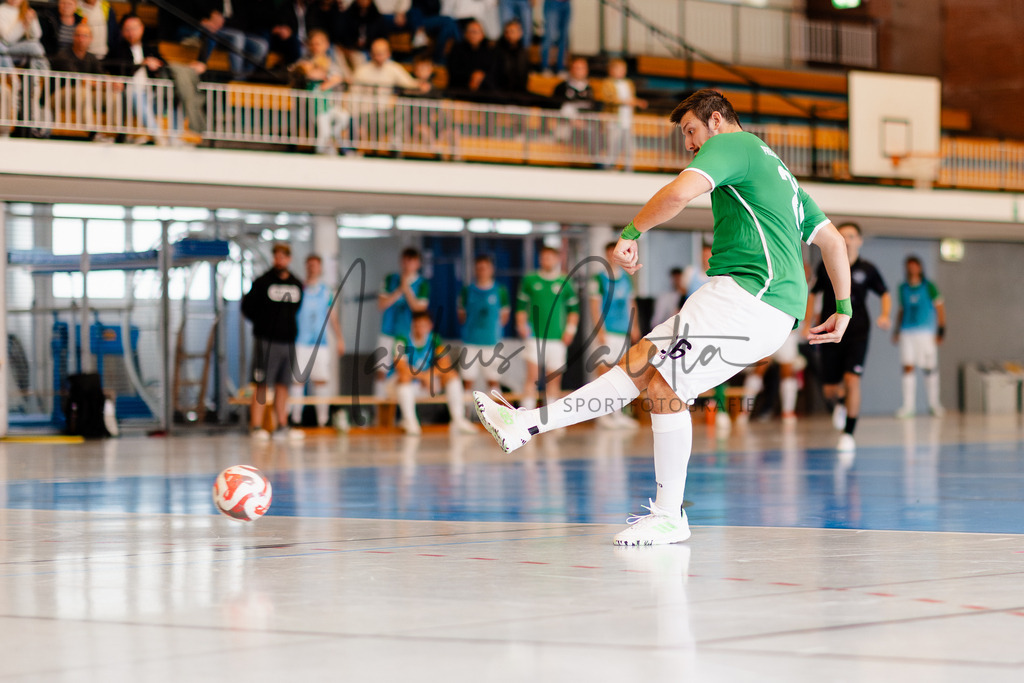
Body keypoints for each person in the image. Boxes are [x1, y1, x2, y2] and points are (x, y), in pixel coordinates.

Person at [475, 88, 852, 547]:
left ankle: (670, 515)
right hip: (751, 301)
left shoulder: (733, 144)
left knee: (665, 387)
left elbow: (678, 194)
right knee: (638, 365)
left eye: (691, 131)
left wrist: (632, 232)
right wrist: (843, 307)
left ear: (716, 120)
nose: (690, 144)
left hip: (750, 297)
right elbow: (832, 241)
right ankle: (526, 425)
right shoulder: (777, 169)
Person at [805, 222, 890, 452]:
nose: (848, 240)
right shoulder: (826, 266)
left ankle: (849, 433)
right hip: (830, 332)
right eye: (843, 236)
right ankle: (839, 404)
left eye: (852, 236)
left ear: (859, 240)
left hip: (858, 332)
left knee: (852, 381)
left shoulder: (868, 269)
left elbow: (884, 293)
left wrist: (884, 315)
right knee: (830, 390)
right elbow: (813, 294)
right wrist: (807, 323)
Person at [241, 243, 304, 442]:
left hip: (288, 341)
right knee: (262, 384)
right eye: (276, 257)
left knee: (283, 384)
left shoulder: (296, 283)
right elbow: (247, 307)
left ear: (289, 259)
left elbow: (296, 308)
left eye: (283, 257)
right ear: (273, 258)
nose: (280, 260)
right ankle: (257, 426)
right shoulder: (263, 282)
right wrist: (264, 325)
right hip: (266, 341)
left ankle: (282, 425)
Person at [515, 244, 579, 411]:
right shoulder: (530, 280)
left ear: (557, 259)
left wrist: (570, 331)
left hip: (557, 338)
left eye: (550, 257)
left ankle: (551, 417)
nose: (546, 261)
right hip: (534, 336)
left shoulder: (565, 281)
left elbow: (574, 310)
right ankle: (525, 416)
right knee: (532, 377)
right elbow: (521, 307)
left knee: (554, 379)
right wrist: (521, 325)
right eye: (543, 257)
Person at [393, 311, 477, 435]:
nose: (420, 328)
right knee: (404, 377)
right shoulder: (402, 339)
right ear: (412, 325)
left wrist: (429, 376)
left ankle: (458, 419)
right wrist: (424, 377)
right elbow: (401, 366)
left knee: (451, 375)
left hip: (427, 383)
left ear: (430, 326)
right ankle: (409, 420)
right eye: (417, 325)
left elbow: (445, 363)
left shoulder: (435, 339)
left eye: (423, 325)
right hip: (404, 385)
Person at [589, 241, 641, 429]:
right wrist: (599, 330)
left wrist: (634, 326)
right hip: (607, 331)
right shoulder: (599, 279)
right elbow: (594, 307)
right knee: (603, 372)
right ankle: (601, 414)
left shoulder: (627, 279)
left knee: (620, 373)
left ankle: (617, 414)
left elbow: (631, 303)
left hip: (622, 331)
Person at [290, 253, 345, 429]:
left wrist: (340, 338)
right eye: (309, 265)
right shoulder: (299, 289)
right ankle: (295, 418)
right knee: (297, 381)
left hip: (320, 344)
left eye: (315, 265)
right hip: (300, 342)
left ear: (320, 268)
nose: (312, 268)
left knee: (321, 380)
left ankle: (323, 420)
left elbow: (332, 316)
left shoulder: (326, 291)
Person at [893, 255, 946, 417]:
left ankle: (934, 404)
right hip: (907, 331)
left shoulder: (929, 287)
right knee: (908, 366)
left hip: (925, 332)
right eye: (909, 266)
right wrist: (896, 330)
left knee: (929, 368)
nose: (912, 269)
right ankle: (908, 407)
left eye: (915, 266)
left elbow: (940, 308)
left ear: (920, 267)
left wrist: (941, 330)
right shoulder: (902, 288)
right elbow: (902, 310)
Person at [105, 15, 169, 145]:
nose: (131, 33)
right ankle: (157, 136)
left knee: (174, 100)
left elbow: (165, 65)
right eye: (127, 29)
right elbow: (117, 70)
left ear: (141, 29)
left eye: (134, 28)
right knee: (136, 95)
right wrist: (142, 63)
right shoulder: (117, 49)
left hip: (151, 93)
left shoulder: (150, 49)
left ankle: (174, 139)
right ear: (122, 32)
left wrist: (156, 64)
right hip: (127, 94)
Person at [377, 247, 430, 395]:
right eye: (405, 261)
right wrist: (399, 289)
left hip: (407, 335)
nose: (408, 265)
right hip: (388, 331)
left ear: (418, 264)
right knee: (381, 371)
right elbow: (381, 305)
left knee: (405, 372)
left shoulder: (422, 284)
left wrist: (407, 289)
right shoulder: (390, 279)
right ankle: (380, 410)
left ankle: (406, 412)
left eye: (412, 261)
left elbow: (419, 309)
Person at [458, 254, 510, 394]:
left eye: (485, 268)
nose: (482, 271)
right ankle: (466, 414)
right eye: (479, 268)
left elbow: (504, 316)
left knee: (493, 381)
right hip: (471, 342)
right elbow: (461, 315)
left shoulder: (500, 290)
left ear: (491, 269)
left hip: (492, 342)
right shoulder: (467, 290)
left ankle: (493, 415)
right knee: (467, 381)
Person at [600, 57, 647, 171]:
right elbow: (608, 98)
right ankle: (609, 166)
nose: (622, 71)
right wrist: (626, 101)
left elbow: (631, 98)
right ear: (611, 70)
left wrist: (637, 101)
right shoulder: (607, 83)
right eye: (618, 69)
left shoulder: (628, 83)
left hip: (627, 119)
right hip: (614, 118)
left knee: (629, 145)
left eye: (623, 69)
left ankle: (628, 167)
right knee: (612, 145)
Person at [445, 19, 493, 98]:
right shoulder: (457, 49)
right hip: (460, 91)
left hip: (484, 93)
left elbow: (493, 73)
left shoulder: (489, 51)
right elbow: (453, 71)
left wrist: (480, 77)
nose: (472, 35)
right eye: (470, 31)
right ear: (465, 34)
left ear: (482, 34)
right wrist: (471, 77)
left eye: (475, 32)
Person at [0, 0, 49, 70]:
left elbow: (36, 36)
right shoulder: (2, 11)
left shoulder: (27, 10)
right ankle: (13, 78)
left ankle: (41, 77)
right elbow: (7, 40)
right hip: (5, 49)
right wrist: (24, 23)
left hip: (22, 49)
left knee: (35, 46)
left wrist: (32, 21)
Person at [489, 18, 529, 102]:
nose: (510, 34)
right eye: (508, 32)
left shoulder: (523, 52)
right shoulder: (497, 51)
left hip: (518, 94)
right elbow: (493, 76)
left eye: (513, 31)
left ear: (520, 33)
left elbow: (524, 77)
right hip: (500, 94)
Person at [539, 0, 570, 75]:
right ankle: (545, 67)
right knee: (549, 36)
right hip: (552, 3)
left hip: (566, 3)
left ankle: (561, 68)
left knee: (564, 37)